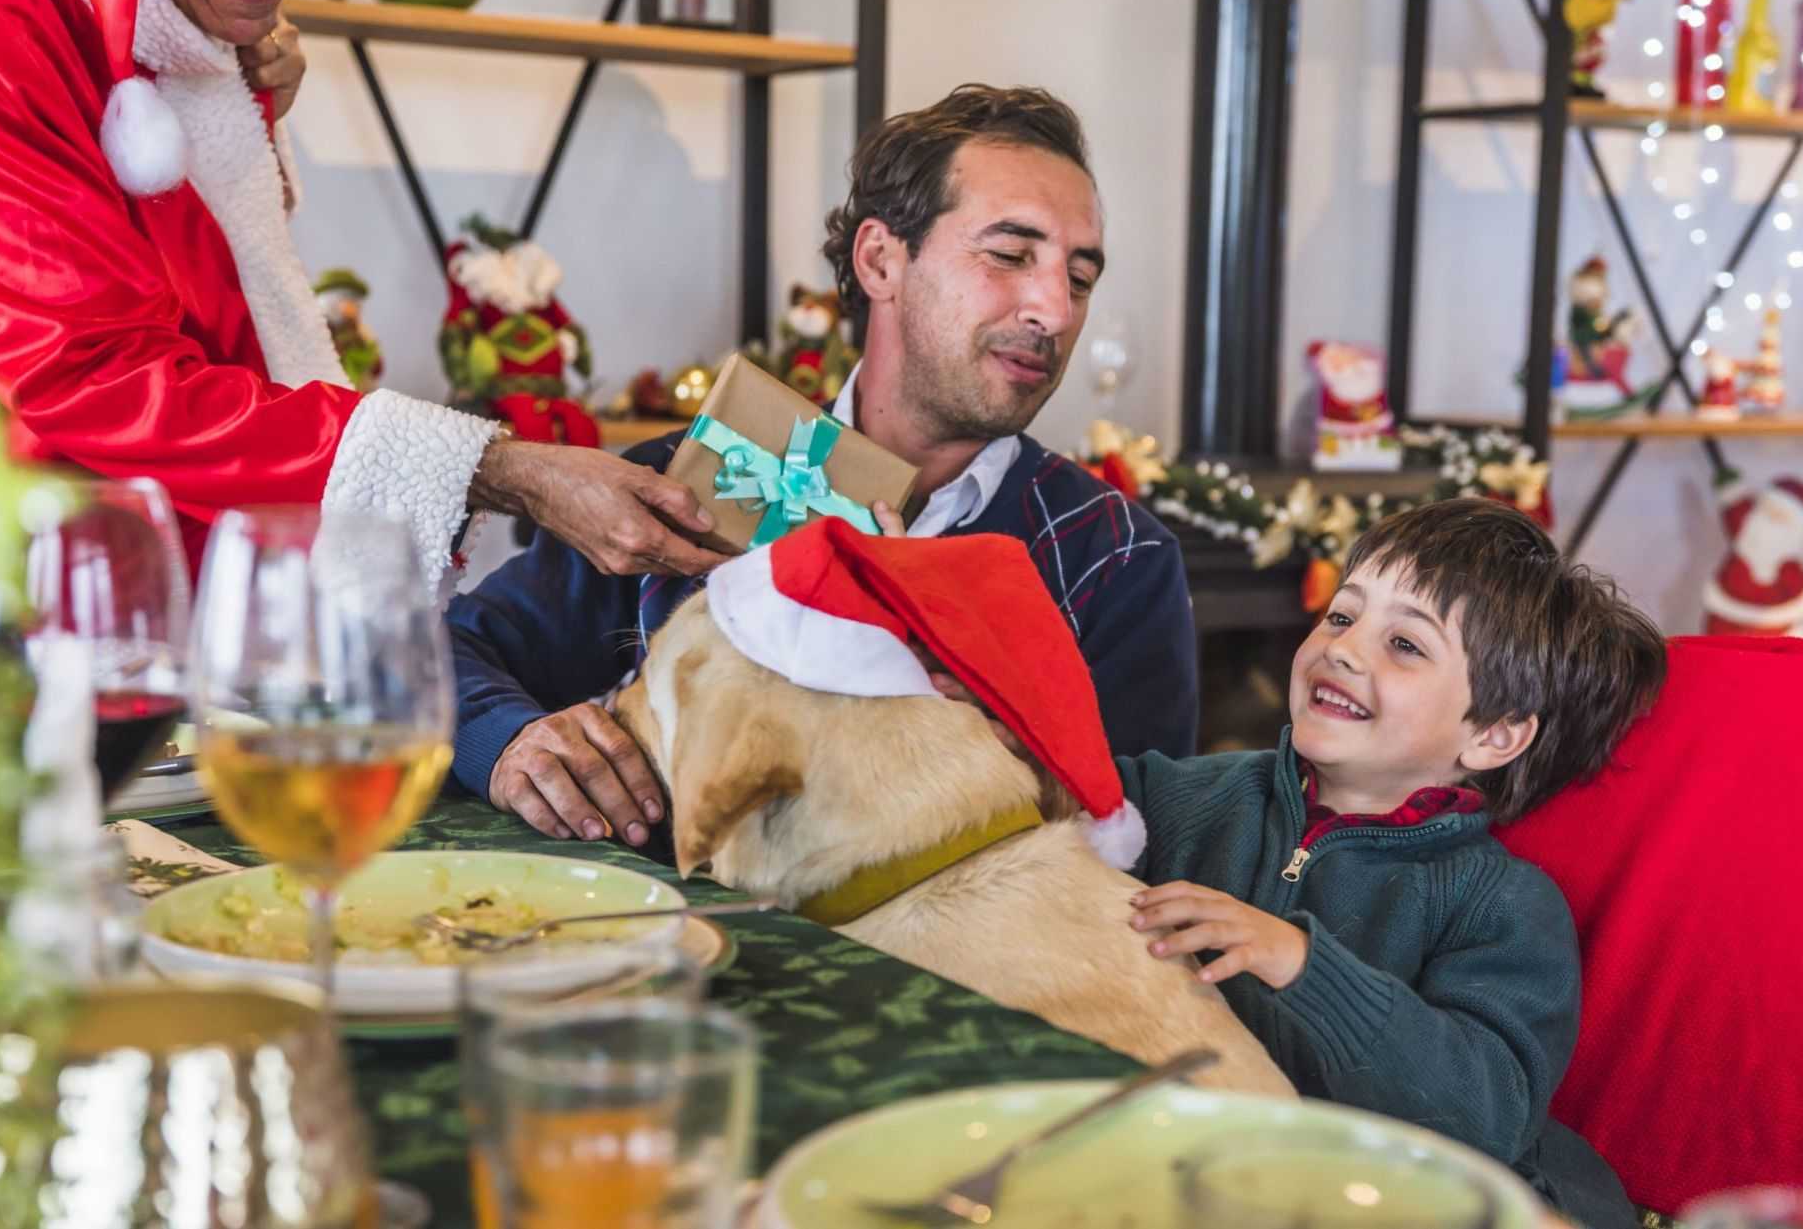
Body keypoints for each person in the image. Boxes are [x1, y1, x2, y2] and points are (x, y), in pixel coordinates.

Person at [447, 84, 1198, 846]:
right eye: (1008, 254)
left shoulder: (1116, 558)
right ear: (880, 260)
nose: (1056, 311)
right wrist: (509, 741)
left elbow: (1145, 852)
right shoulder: (683, 477)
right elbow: (441, 653)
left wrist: (1022, 781)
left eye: (1079, 277)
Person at [0, 0, 726, 601]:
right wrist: (502, 470)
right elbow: (94, 379)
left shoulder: (162, 2)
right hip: (58, 627)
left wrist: (246, 101)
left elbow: (204, 288)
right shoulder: (2, 10)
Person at [1120, 499, 1665, 1229]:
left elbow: (1484, 1113)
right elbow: (1068, 798)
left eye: (1404, 644)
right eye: (1341, 617)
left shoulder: (1500, 901)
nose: (1342, 649)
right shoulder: (1193, 794)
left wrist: (1300, 964)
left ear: (1495, 735)